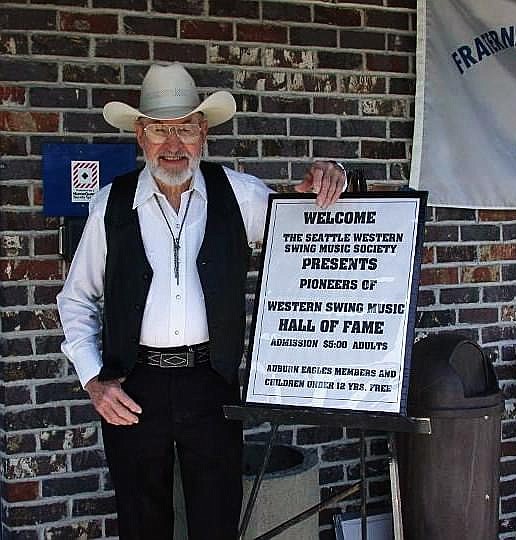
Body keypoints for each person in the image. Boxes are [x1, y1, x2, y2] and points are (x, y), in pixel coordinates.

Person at [56, 62, 346, 540]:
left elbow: (313, 229)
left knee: (216, 522)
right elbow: (77, 299)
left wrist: (332, 179)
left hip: (211, 384)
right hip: (133, 385)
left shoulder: (242, 194)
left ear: (203, 132)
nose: (173, 146)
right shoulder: (111, 203)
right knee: (141, 523)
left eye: (185, 129)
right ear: (141, 137)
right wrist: (93, 380)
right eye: (160, 131)